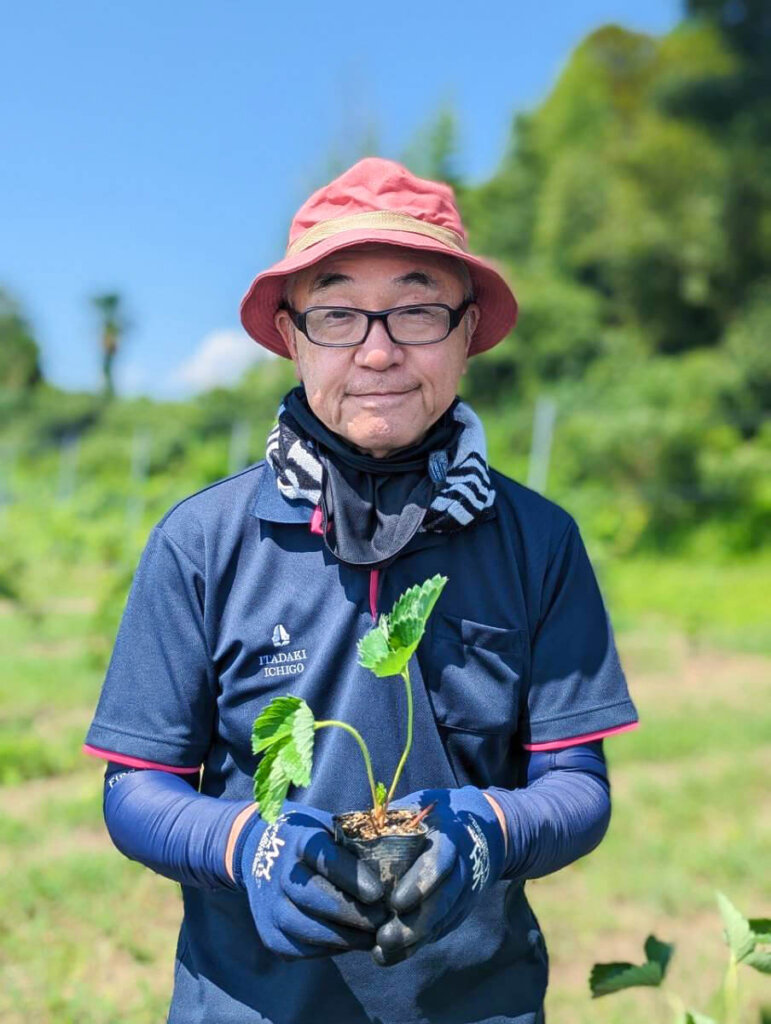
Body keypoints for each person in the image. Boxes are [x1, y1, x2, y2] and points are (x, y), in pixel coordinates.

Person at [83, 157, 639, 1024]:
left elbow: (577, 784)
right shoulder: (202, 540)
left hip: (475, 1004)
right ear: (291, 335)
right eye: (337, 314)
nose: (377, 351)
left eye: (416, 310)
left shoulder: (538, 539)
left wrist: (485, 834)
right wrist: (247, 846)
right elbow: (137, 788)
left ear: (466, 334)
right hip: (246, 1004)